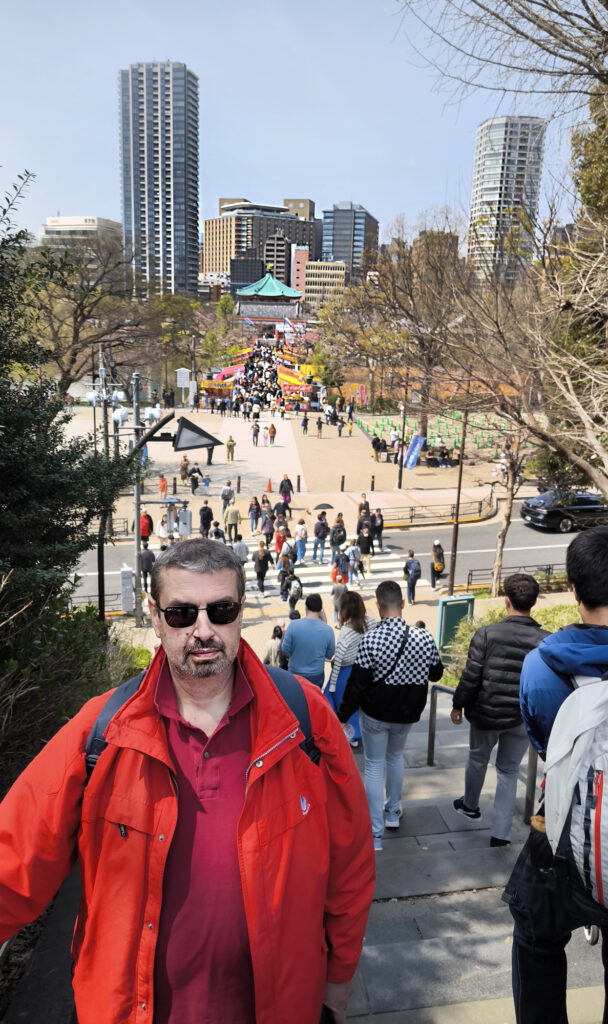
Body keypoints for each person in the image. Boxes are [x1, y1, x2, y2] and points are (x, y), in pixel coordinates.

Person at [0, 540, 375, 1024]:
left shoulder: (304, 719)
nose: (203, 630)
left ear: (242, 612)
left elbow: (350, 864)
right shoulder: (102, 731)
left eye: (220, 610)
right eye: (181, 614)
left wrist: (339, 979)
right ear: (155, 617)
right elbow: (15, 853)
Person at [502, 529, 608, 1022]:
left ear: (572, 589)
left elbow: (547, 744)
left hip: (560, 832)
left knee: (535, 936)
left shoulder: (542, 664)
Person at [338, 580, 443, 851]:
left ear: (378, 605)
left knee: (373, 765)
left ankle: (375, 832)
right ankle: (393, 812)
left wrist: (342, 715)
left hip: (374, 713)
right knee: (395, 757)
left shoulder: (371, 639)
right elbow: (436, 674)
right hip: (407, 713)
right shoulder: (423, 637)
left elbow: (357, 685)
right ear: (403, 604)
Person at [450, 574, 548, 846]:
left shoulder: (486, 634)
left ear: (507, 601)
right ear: (534, 603)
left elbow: (471, 676)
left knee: (478, 758)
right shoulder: (545, 640)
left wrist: (458, 704)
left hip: (486, 713)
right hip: (521, 717)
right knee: (508, 770)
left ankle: (470, 805)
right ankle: (500, 834)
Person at [325, 591, 376, 747]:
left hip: (347, 672)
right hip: (369, 669)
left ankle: (349, 734)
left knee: (335, 698)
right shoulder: (371, 622)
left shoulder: (346, 631)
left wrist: (333, 662)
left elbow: (341, 659)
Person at [281, 593, 336, 689]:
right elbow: (329, 655)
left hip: (295, 672)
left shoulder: (293, 625)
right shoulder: (328, 630)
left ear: (305, 607)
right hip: (316, 674)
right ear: (320, 610)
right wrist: (323, 619)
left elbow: (285, 649)